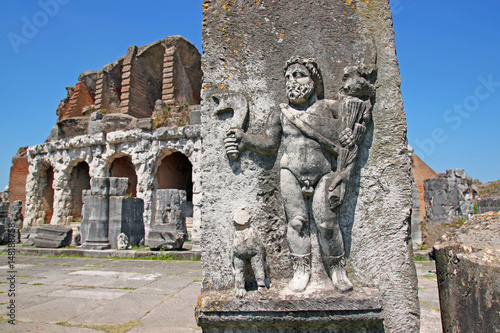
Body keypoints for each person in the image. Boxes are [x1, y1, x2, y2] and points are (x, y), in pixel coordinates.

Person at [224, 56, 371, 292]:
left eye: (299, 74)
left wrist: (349, 134)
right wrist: (245, 139)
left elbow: (355, 118)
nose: (293, 81)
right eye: (288, 77)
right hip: (290, 171)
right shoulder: (281, 113)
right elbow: (270, 144)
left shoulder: (329, 107)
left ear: (314, 80)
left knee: (326, 224)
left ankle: (337, 269)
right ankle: (301, 269)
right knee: (296, 223)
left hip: (324, 171)